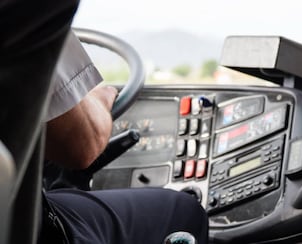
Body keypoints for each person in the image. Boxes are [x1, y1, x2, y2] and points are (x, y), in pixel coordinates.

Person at [39, 31, 209, 243]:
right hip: (31, 227)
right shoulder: (21, 17)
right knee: (185, 210)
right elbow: (82, 143)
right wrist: (98, 101)